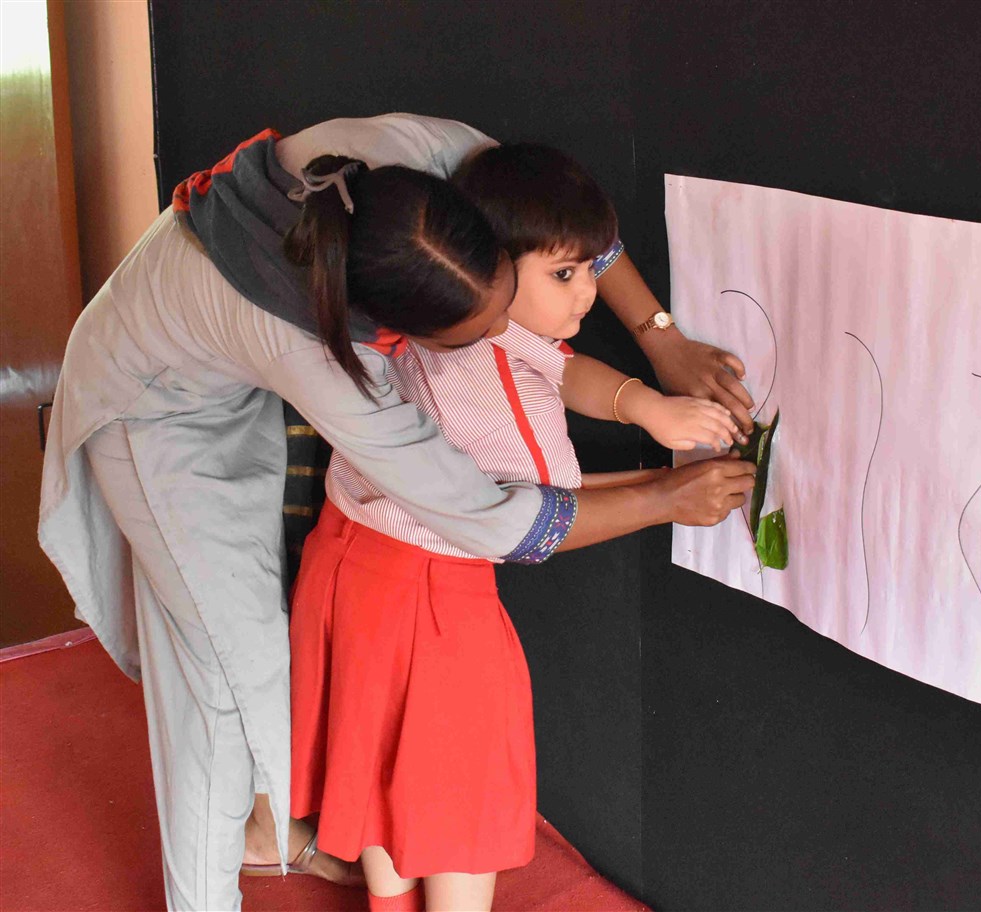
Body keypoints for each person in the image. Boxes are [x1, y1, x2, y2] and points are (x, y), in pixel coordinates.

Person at [38, 114, 753, 911]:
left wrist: (659, 339)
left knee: (273, 671)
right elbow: (487, 518)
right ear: (395, 337)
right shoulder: (331, 367)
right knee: (222, 669)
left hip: (241, 379)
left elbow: (558, 217)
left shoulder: (428, 158)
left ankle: (273, 832)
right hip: (153, 403)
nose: (502, 337)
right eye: (475, 332)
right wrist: (663, 496)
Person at [288, 142, 742, 912]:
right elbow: (542, 519)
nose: (588, 292)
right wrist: (671, 494)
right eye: (564, 275)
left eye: (590, 268)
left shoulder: (439, 301)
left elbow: (556, 364)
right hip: (429, 601)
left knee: (379, 764)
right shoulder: (501, 399)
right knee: (459, 800)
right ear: (495, 261)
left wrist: (644, 405)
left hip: (342, 558)